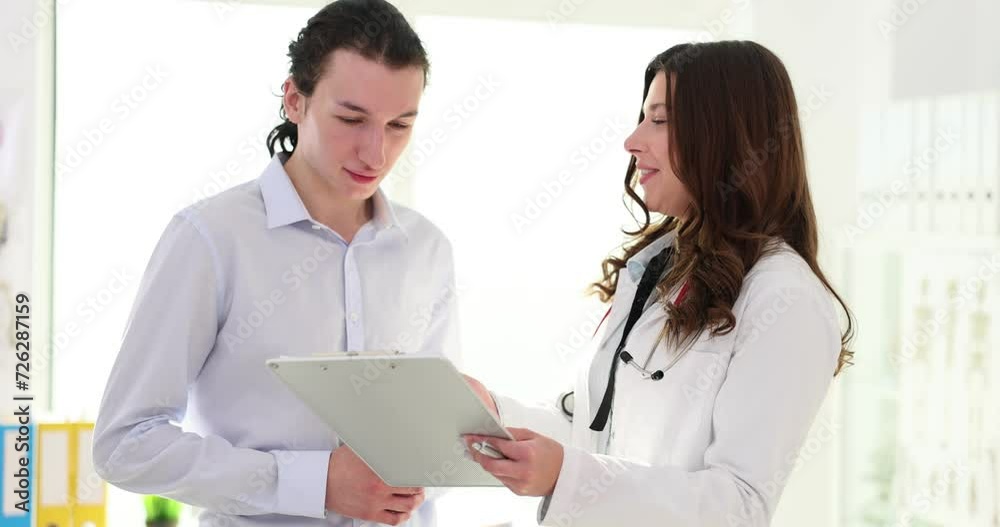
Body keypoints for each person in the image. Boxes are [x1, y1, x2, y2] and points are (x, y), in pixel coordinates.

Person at [92, 1, 458, 525]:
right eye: (351, 119)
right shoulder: (211, 238)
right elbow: (125, 444)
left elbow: (435, 438)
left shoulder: (427, 249)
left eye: (399, 124)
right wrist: (314, 483)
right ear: (295, 100)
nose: (376, 153)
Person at [463, 40, 856, 526]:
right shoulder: (656, 271)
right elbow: (593, 427)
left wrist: (568, 476)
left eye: (660, 120)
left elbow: (740, 505)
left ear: (724, 136)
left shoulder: (784, 298)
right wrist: (492, 414)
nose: (632, 140)